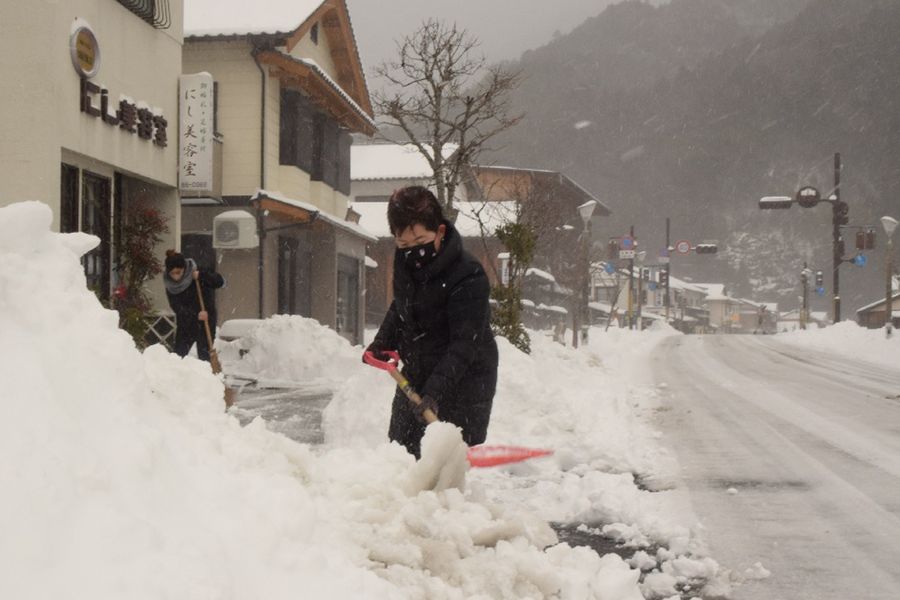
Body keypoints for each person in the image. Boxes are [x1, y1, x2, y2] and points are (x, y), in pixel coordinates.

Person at [366, 186, 498, 458]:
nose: (413, 251)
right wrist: (382, 342)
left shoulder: (468, 275)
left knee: (440, 464)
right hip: (417, 371)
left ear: (439, 231)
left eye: (420, 241)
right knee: (399, 452)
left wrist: (434, 392)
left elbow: (465, 344)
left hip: (462, 379)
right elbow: (402, 306)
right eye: (403, 245)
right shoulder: (406, 264)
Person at [163, 250, 225, 361]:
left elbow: (220, 282)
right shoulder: (171, 285)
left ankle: (207, 375)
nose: (176, 277)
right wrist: (196, 314)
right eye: (172, 273)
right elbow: (177, 307)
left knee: (204, 354)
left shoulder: (197, 272)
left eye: (178, 272)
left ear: (184, 269)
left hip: (206, 320)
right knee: (179, 355)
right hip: (186, 322)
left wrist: (202, 275)